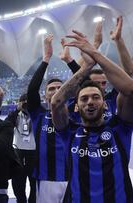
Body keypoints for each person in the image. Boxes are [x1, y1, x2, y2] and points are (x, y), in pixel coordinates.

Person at [51, 28, 133, 202]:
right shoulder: (70, 132)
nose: (90, 102)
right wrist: (86, 66)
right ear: (77, 105)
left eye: (96, 97)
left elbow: (131, 90)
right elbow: (56, 103)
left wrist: (95, 54)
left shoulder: (120, 128)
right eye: (84, 98)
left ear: (104, 103)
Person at [27, 34, 76, 202]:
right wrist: (46, 59)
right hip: (47, 179)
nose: (56, 91)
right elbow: (32, 90)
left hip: (74, 176)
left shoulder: (74, 112)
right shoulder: (38, 114)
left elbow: (86, 84)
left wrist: (70, 61)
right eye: (51, 89)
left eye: (59, 88)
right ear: (45, 94)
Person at [6, 94, 36, 203]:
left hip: (34, 152)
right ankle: (21, 200)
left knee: (35, 183)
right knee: (17, 183)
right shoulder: (15, 115)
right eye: (23, 101)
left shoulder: (37, 115)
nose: (25, 104)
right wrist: (17, 109)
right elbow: (7, 124)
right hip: (18, 151)